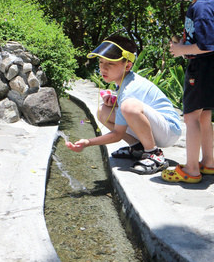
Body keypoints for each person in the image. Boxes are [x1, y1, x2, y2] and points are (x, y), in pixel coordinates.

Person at [65, 34, 182, 175]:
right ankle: (138, 148)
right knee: (103, 111)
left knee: (128, 106)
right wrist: (115, 101)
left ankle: (154, 154)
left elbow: (117, 134)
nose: (103, 68)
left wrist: (88, 142)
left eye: (110, 63)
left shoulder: (130, 89)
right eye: (101, 62)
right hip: (157, 128)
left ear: (127, 65)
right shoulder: (123, 82)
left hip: (168, 130)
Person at [161, 0, 214, 184]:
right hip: (211, 70)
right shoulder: (206, 4)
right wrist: (183, 43)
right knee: (204, 117)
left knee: (190, 117)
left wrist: (181, 50)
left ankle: (191, 169)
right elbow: (203, 40)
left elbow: (209, 44)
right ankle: (207, 163)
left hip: (203, 70)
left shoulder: (201, 7)